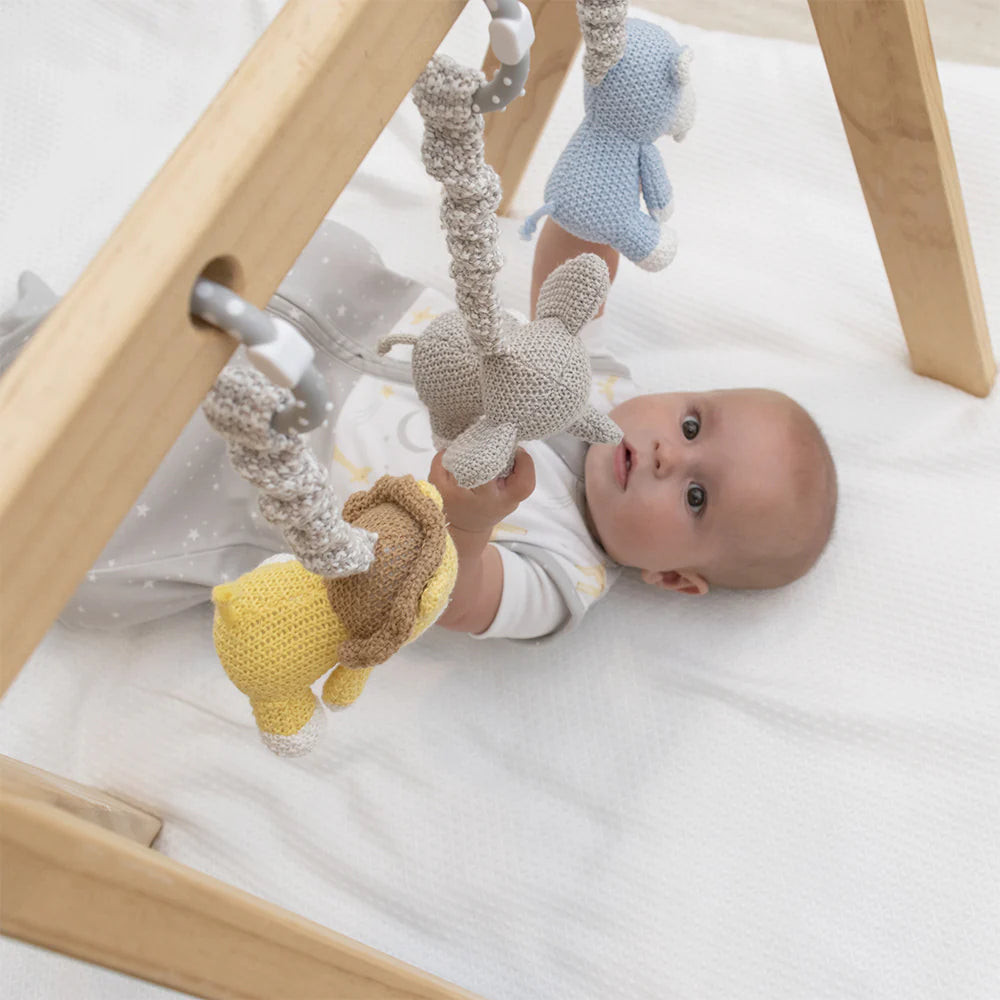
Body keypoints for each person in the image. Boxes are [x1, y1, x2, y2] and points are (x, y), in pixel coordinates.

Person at [0, 217, 837, 640]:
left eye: (696, 495)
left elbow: (454, 595)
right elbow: (562, 289)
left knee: (78, 511)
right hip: (333, 315)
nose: (665, 453)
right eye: (692, 424)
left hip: (249, 473)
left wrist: (468, 522)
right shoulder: (599, 382)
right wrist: (590, 215)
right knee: (288, 250)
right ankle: (48, 332)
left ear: (674, 579)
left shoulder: (560, 581)